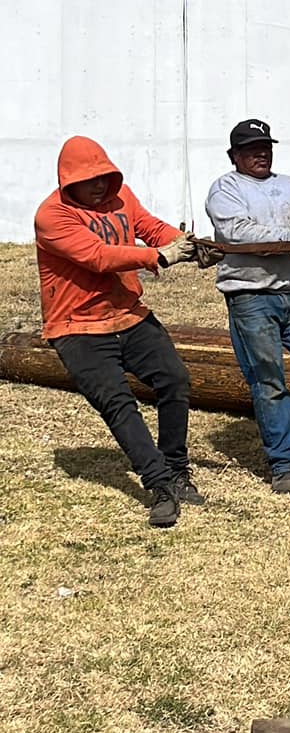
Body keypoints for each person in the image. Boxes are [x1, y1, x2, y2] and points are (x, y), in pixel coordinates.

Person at [34, 136, 201, 529]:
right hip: (77, 326)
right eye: (89, 179)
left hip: (128, 313)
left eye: (104, 176)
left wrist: (183, 244)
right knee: (118, 403)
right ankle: (160, 486)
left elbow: (147, 226)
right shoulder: (52, 216)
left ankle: (176, 467)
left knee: (175, 380)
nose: (98, 185)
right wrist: (157, 256)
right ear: (67, 181)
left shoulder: (121, 195)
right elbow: (97, 256)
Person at [205, 118, 290, 495]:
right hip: (250, 296)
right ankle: (284, 464)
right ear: (234, 156)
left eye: (265, 147)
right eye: (250, 149)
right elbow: (240, 234)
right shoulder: (226, 189)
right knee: (268, 381)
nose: (260, 154)